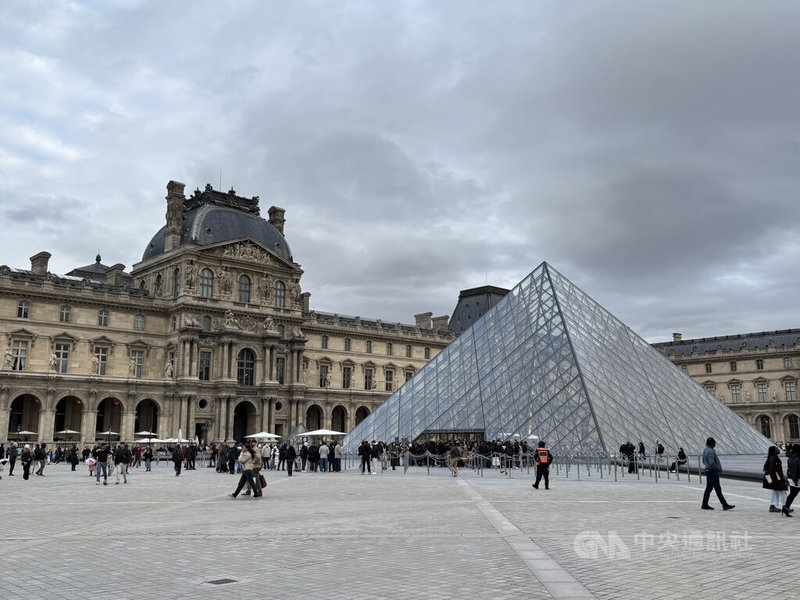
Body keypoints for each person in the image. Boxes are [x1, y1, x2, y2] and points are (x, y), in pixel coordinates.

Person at [701, 437, 734, 510]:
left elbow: (703, 461)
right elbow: (712, 462)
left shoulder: (705, 450)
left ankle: (704, 504)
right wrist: (716, 468)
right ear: (712, 443)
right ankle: (724, 505)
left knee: (709, 488)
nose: (715, 444)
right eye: (714, 442)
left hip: (707, 470)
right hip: (712, 472)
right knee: (717, 488)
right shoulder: (710, 451)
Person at [763, 445, 788, 514]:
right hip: (774, 477)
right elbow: (772, 470)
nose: (778, 449)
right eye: (777, 449)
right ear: (774, 451)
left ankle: (773, 506)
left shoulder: (773, 457)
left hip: (772, 477)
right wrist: (776, 480)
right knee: (782, 491)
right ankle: (785, 506)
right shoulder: (773, 458)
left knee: (776, 491)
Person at [784, 443, 799, 517]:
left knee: (792, 494)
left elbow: (789, 470)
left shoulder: (790, 459)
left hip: (791, 479)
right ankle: (786, 508)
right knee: (793, 494)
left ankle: (786, 508)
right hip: (797, 479)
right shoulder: (798, 459)